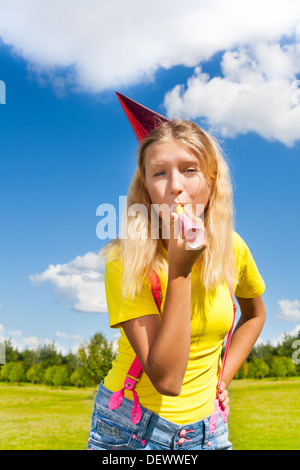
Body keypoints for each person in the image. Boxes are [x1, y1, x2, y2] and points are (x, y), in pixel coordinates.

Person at [87, 94, 266, 451]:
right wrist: (180, 272)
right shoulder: (126, 259)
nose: (175, 186)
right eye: (159, 173)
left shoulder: (234, 248)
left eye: (189, 169)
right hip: (133, 428)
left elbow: (255, 314)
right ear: (147, 189)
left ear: (212, 181)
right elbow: (167, 378)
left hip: (209, 430)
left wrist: (222, 379)